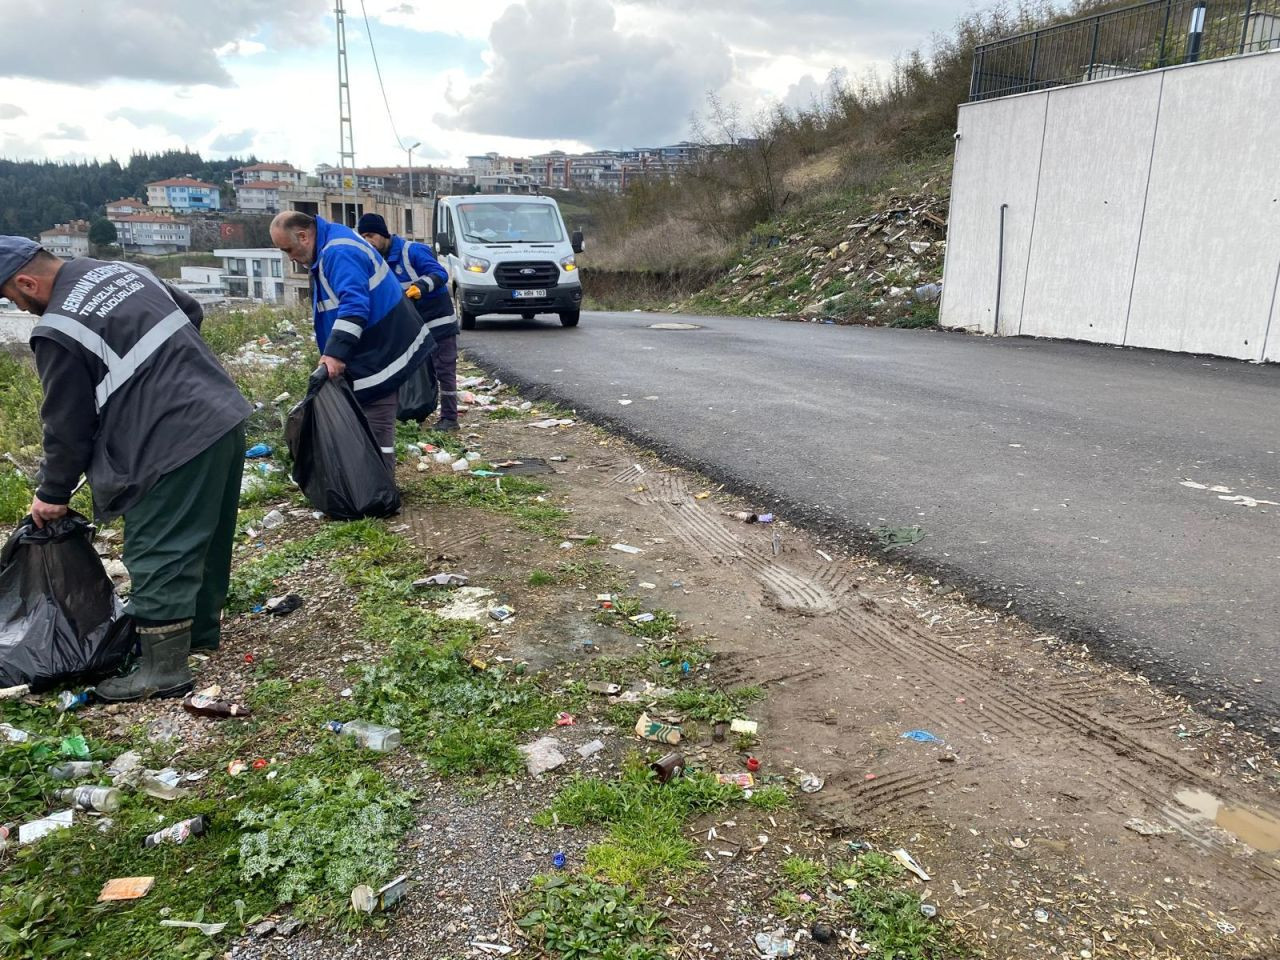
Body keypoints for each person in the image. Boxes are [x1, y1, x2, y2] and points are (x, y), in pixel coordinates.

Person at [0, 236, 252, 701]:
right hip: (220, 415)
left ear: (26, 282)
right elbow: (189, 310)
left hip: (165, 441)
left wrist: (52, 493)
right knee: (206, 532)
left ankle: (163, 668)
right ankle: (196, 632)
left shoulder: (57, 329)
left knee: (158, 545)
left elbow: (67, 424)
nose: (16, 305)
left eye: (10, 296)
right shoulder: (121, 271)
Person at [269, 211, 435, 467]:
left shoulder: (338, 252)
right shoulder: (328, 246)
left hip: (382, 345)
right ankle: (372, 482)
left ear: (303, 236)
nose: (289, 257)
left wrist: (335, 353)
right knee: (367, 414)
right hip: (375, 342)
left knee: (377, 414)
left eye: (288, 249)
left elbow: (354, 306)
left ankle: (380, 489)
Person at [356, 213, 460, 432]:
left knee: (445, 371)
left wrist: (420, 287)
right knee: (407, 371)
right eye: (363, 236)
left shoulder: (411, 251)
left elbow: (439, 273)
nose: (368, 241)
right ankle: (412, 412)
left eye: (371, 235)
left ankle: (450, 419)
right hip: (413, 327)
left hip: (438, 321)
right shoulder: (376, 261)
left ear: (383, 234)